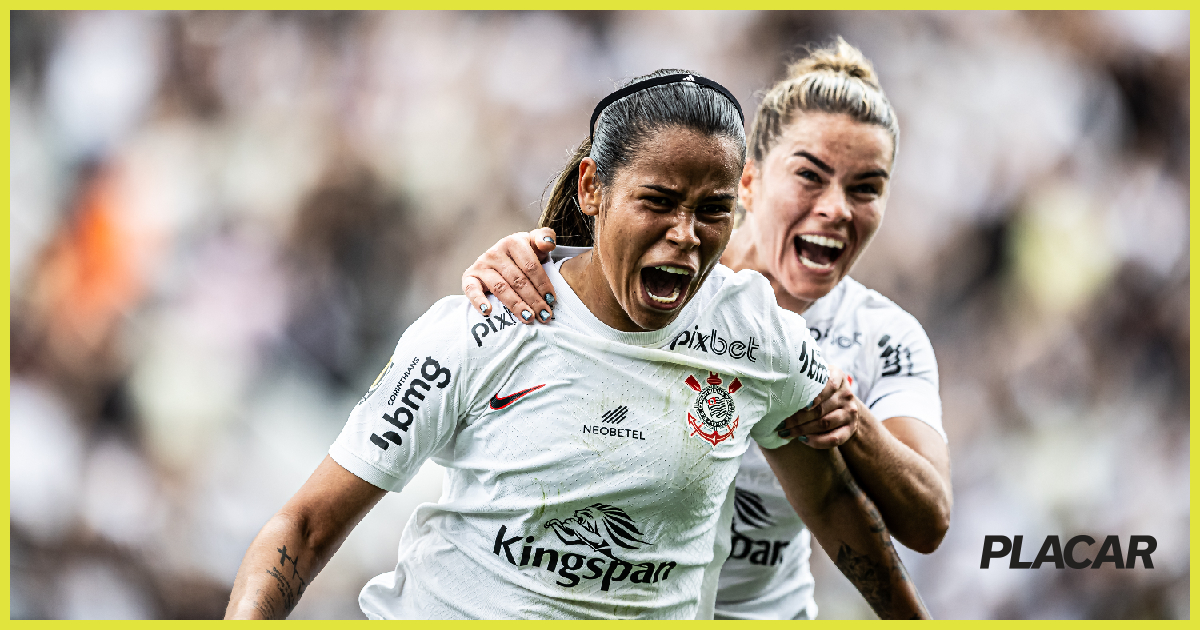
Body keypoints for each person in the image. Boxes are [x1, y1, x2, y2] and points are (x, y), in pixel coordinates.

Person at [225, 69, 928, 620]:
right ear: (593, 187)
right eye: (658, 201)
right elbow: (305, 524)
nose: (686, 235)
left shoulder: (759, 334)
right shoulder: (482, 325)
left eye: (713, 211)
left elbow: (835, 505)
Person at [463, 38, 950, 620]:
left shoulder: (882, 336)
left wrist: (852, 421)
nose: (837, 208)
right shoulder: (658, 282)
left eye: (865, 188)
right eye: (810, 177)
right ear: (747, 183)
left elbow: (927, 520)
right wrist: (512, 260)